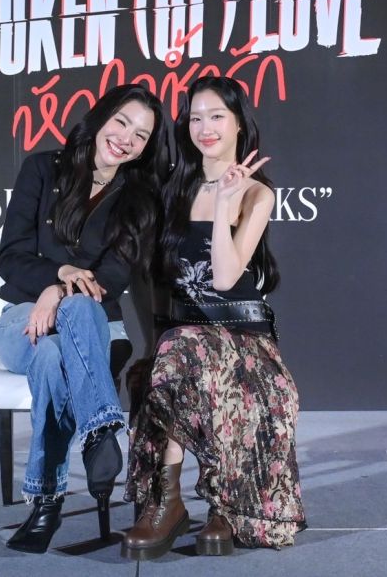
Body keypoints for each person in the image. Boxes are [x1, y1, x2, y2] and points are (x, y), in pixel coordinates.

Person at [122, 76, 305, 560]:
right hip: (182, 337)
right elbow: (153, 279)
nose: (205, 127)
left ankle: (220, 504)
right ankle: (168, 502)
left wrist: (225, 203)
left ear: (239, 123)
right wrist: (151, 344)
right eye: (196, 117)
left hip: (243, 336)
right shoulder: (169, 189)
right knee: (176, 354)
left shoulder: (257, 194)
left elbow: (224, 278)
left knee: (186, 352)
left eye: (217, 116)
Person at [0, 84, 167, 553]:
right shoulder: (42, 169)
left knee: (56, 352)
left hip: (96, 328)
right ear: (101, 118)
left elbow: (111, 278)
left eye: (141, 136)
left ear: (146, 148)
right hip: (22, 321)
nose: (127, 139)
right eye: (122, 122)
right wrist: (56, 276)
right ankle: (102, 425)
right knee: (54, 339)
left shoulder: (139, 199)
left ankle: (45, 505)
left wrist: (58, 292)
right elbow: (10, 257)